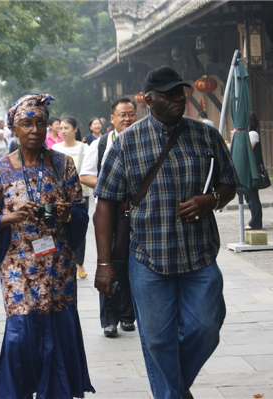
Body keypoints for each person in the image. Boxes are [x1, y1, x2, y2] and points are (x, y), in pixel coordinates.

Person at [94, 66, 238, 398]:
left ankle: (172, 391)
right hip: (148, 258)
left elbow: (229, 183)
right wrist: (104, 264)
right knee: (158, 339)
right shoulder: (126, 143)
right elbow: (105, 205)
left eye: (180, 93)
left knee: (206, 328)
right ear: (148, 100)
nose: (177, 99)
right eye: (169, 94)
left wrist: (210, 200)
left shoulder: (206, 135)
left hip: (199, 254)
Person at [0, 94, 93, 399]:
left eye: (40, 123)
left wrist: (68, 212)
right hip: (18, 269)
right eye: (26, 123)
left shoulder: (63, 164)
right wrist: (10, 217)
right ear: (14, 129)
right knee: (20, 336)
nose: (34, 129)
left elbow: (80, 209)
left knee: (58, 329)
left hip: (58, 268)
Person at [79, 98, 138, 338]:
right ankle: (110, 319)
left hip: (136, 210)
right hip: (109, 211)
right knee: (108, 262)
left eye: (131, 114)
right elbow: (85, 175)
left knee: (133, 263)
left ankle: (128, 315)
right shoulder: (101, 144)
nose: (128, 118)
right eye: (122, 115)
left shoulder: (144, 140)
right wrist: (113, 187)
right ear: (112, 119)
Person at [53, 116, 90, 279]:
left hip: (80, 195)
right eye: (60, 128)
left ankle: (79, 261)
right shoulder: (55, 149)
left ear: (75, 129)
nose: (63, 131)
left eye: (66, 128)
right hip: (60, 196)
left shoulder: (85, 148)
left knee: (79, 225)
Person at [242, 111, 263, 231]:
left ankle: (255, 222)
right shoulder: (249, 134)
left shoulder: (253, 134)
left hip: (252, 170)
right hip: (249, 170)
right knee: (250, 196)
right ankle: (255, 221)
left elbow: (248, 150)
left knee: (252, 196)